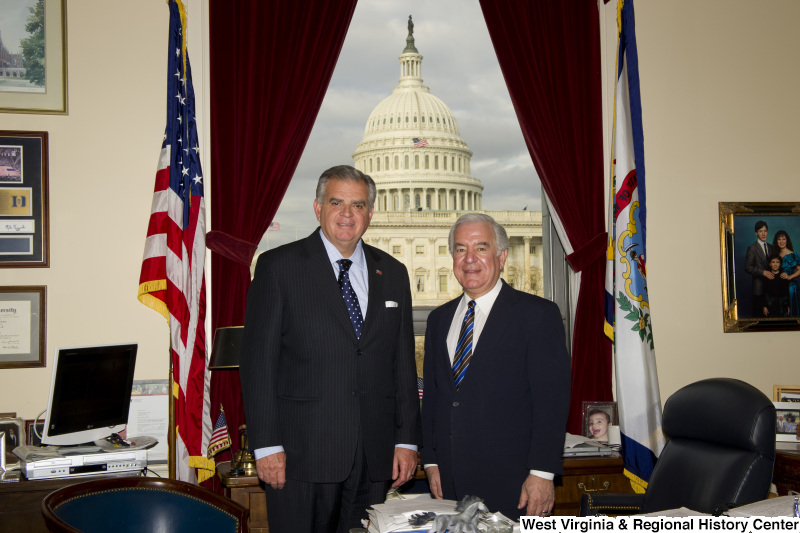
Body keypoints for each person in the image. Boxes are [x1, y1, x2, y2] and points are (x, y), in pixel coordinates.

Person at [239, 165, 419, 533]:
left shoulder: (394, 273)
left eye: (358, 204)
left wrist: (406, 440)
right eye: (337, 202)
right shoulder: (279, 267)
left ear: (370, 213)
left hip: (374, 455)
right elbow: (258, 365)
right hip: (301, 455)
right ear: (318, 207)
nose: (347, 214)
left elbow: (402, 365)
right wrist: (266, 446)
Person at [420, 213, 570, 520]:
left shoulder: (538, 316)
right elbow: (435, 399)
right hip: (449, 482)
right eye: (461, 249)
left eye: (481, 247)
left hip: (514, 484)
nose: (470, 259)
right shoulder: (438, 320)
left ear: (501, 256)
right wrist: (431, 461)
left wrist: (542, 473)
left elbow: (551, 403)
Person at [744, 220, 773, 317]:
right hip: (759, 289)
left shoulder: (771, 247)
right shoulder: (752, 248)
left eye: (765, 231)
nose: (763, 233)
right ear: (756, 233)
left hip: (770, 289)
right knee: (759, 318)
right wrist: (762, 272)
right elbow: (748, 267)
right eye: (760, 231)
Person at [772, 230, 800, 316]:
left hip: (791, 288)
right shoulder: (775, 255)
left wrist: (789, 277)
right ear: (776, 241)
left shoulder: (794, 254)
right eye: (779, 239)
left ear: (787, 240)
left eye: (783, 239)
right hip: (779, 287)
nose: (781, 241)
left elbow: (799, 270)